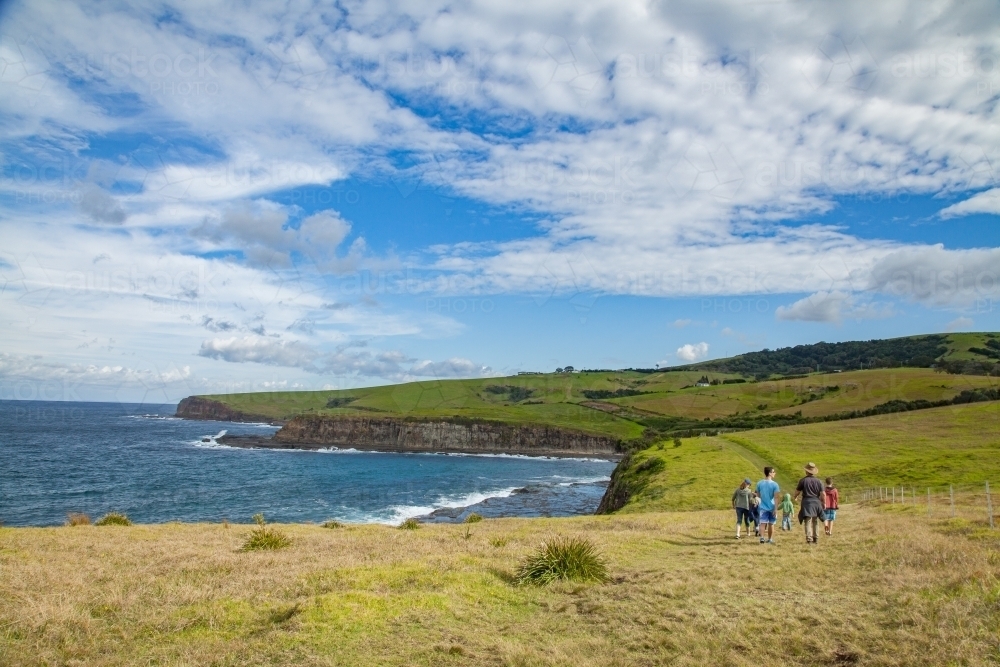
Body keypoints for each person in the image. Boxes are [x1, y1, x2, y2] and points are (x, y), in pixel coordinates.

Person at [794, 462, 825, 544]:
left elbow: (797, 492)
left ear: (806, 471)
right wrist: (823, 503)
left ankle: (809, 538)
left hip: (807, 502)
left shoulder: (803, 481)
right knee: (815, 521)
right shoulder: (819, 481)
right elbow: (823, 494)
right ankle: (816, 537)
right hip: (816, 501)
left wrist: (795, 497)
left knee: (807, 520)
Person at [755, 466, 781, 544]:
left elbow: (758, 495)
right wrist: (776, 509)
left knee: (762, 523)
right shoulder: (775, 485)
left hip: (763, 506)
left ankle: (762, 537)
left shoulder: (759, 483)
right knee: (771, 524)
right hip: (772, 507)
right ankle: (770, 539)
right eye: (773, 472)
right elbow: (776, 497)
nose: (774, 473)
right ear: (769, 473)